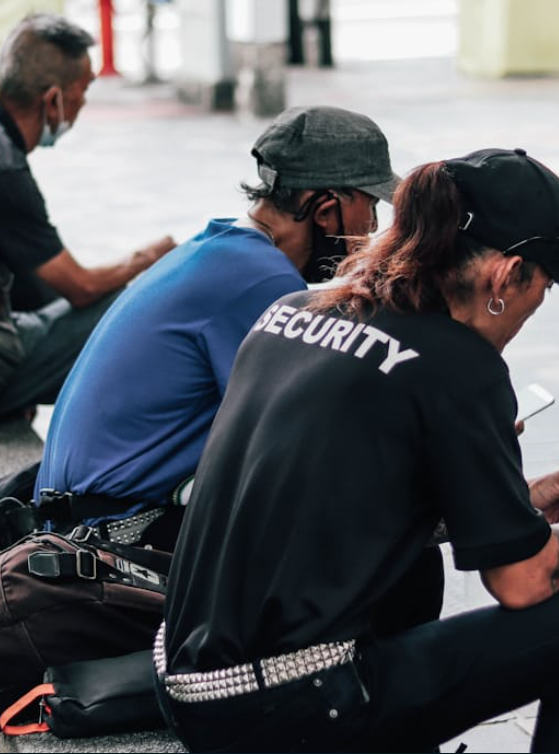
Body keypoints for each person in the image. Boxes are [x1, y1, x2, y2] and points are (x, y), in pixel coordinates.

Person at [156, 147, 559, 754]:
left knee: (417, 566)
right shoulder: (460, 366)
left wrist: (521, 504)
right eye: (545, 287)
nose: (538, 307)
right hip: (286, 710)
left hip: (184, 684)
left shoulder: (292, 310)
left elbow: (344, 507)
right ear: (505, 276)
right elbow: (522, 584)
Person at [34, 105, 400, 549]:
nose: (373, 229)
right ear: (325, 207)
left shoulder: (222, 249)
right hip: (118, 532)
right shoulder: (262, 280)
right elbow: (297, 436)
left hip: (82, 513)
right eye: (371, 205)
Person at [0, 12, 175, 417]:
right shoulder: (6, 168)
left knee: (44, 287)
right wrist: (150, 258)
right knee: (134, 300)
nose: (84, 102)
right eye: (85, 88)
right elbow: (80, 286)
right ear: (54, 99)